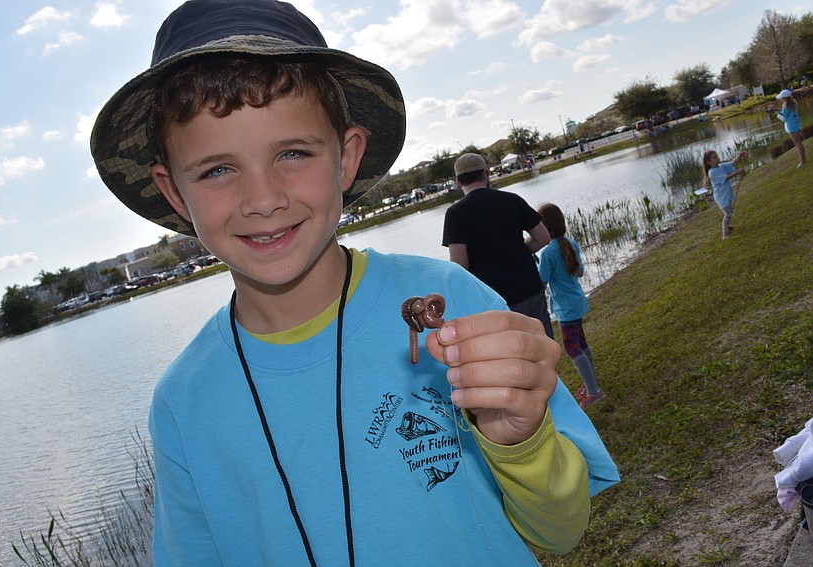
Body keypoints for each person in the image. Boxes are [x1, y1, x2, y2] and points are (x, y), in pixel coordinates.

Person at [90, 1, 618, 564]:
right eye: (217, 169)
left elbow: (559, 533)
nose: (263, 199)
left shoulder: (455, 302)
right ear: (175, 193)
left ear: (346, 158)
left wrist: (521, 441)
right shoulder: (183, 402)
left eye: (293, 153)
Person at [442, 153, 555, 339]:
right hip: (530, 288)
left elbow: (460, 265)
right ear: (485, 174)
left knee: (513, 355)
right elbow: (543, 237)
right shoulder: (512, 199)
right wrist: (519, 250)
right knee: (543, 347)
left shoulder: (455, 213)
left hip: (493, 300)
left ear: (458, 181)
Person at [536, 204, 604, 409]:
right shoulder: (571, 243)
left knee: (572, 348)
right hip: (577, 302)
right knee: (581, 344)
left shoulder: (547, 253)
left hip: (565, 309)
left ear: (544, 227)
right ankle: (592, 383)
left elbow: (542, 280)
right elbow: (580, 271)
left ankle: (594, 391)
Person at [703, 149, 748, 240]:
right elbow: (726, 178)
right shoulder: (712, 172)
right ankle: (725, 233)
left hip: (725, 194)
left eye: (717, 156)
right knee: (728, 213)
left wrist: (739, 156)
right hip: (721, 197)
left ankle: (727, 226)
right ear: (709, 162)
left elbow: (731, 163)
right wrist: (738, 172)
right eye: (714, 158)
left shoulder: (720, 166)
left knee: (729, 211)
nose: (717, 158)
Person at [775, 89, 807, 168]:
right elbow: (787, 114)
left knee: (798, 144)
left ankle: (803, 161)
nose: (781, 99)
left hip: (791, 127)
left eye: (782, 98)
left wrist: (777, 114)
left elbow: (784, 118)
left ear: (784, 98)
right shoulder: (793, 103)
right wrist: (780, 112)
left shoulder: (786, 106)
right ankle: (804, 160)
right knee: (799, 143)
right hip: (796, 125)